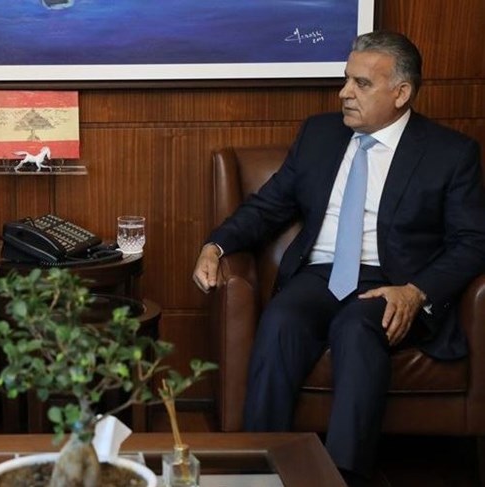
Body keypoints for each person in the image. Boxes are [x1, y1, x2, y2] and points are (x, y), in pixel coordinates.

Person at [192, 31, 485, 485]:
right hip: (321, 275)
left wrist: (416, 292)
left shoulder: (450, 153)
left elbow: (473, 240)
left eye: (362, 84)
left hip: (393, 283)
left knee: (356, 327)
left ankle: (344, 476)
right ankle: (255, 468)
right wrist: (216, 245)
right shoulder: (320, 134)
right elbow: (268, 206)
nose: (344, 92)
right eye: (346, 79)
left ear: (401, 93)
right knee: (282, 318)